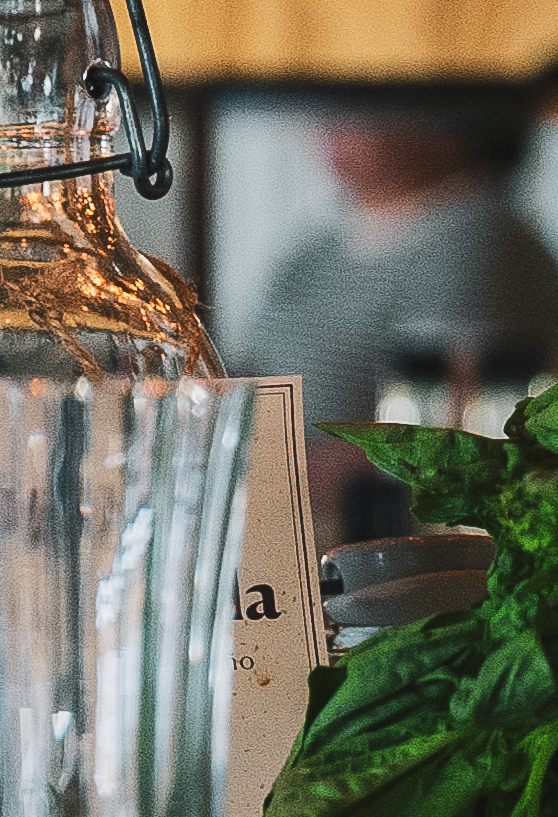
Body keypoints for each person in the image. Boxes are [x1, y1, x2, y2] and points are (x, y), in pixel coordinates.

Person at [230, 86, 558, 535]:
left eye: (367, 102)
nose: (332, 122)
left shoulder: (484, 242)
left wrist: (287, 478)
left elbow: (461, 427)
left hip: (378, 533)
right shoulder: (311, 253)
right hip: (272, 512)